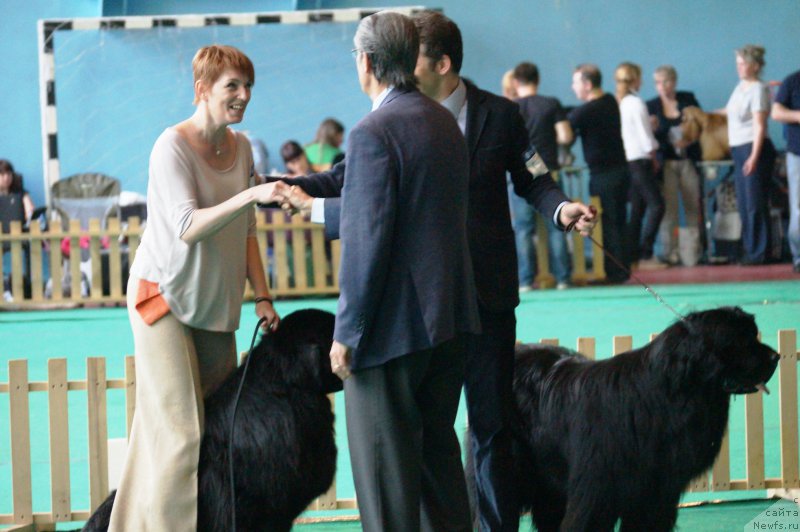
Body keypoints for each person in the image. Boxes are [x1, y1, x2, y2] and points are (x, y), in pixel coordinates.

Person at [276, 12, 596, 531]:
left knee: (490, 427)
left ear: (442, 63)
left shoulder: (498, 115)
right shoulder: (420, 121)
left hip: (482, 295)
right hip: (432, 307)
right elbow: (350, 183)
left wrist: (562, 209)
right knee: (437, 439)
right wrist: (279, 188)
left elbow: (534, 178)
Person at [107, 44, 281, 531]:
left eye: (248, 87)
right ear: (202, 90)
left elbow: (247, 230)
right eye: (233, 86)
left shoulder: (242, 147)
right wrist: (252, 191)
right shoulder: (171, 146)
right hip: (159, 297)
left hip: (213, 303)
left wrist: (262, 295)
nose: (244, 95)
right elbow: (186, 225)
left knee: (203, 428)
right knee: (182, 433)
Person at [510, 61, 575, 290]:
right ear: (537, 80)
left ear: (515, 82)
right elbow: (565, 136)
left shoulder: (510, 107)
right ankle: (563, 279)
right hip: (548, 171)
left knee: (524, 230)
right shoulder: (551, 104)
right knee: (556, 225)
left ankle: (526, 280)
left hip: (519, 173)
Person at [568, 63, 632, 282]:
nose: (573, 87)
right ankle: (621, 270)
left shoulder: (587, 110)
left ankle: (615, 273)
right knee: (618, 222)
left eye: (575, 82)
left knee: (610, 224)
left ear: (587, 84)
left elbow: (566, 131)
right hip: (620, 171)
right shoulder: (610, 102)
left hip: (605, 175)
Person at [719, 44, 775, 265]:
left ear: (755, 66)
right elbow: (729, 112)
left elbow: (759, 125)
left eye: (743, 64)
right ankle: (750, 249)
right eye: (738, 64)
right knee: (744, 204)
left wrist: (753, 156)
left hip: (754, 148)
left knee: (754, 204)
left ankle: (759, 252)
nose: (739, 68)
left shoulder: (758, 89)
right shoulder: (740, 87)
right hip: (738, 148)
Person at [646, 65, 703, 266]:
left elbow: (701, 124)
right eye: (657, 82)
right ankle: (669, 253)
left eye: (666, 81)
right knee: (668, 210)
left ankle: (693, 253)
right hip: (666, 163)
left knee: (692, 207)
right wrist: (653, 128)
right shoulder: (651, 106)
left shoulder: (688, 100)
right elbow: (649, 137)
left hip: (687, 160)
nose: (661, 86)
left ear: (674, 82)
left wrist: (689, 140)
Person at [614, 62, 665, 269]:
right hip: (640, 159)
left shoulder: (622, 102)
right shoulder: (636, 103)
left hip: (629, 160)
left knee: (637, 209)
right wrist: (653, 154)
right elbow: (645, 137)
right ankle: (646, 253)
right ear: (635, 79)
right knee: (657, 205)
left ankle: (632, 255)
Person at [772, 68, 800, 274]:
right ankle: (799, 257)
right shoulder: (792, 81)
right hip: (797, 154)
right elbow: (776, 112)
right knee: (798, 208)